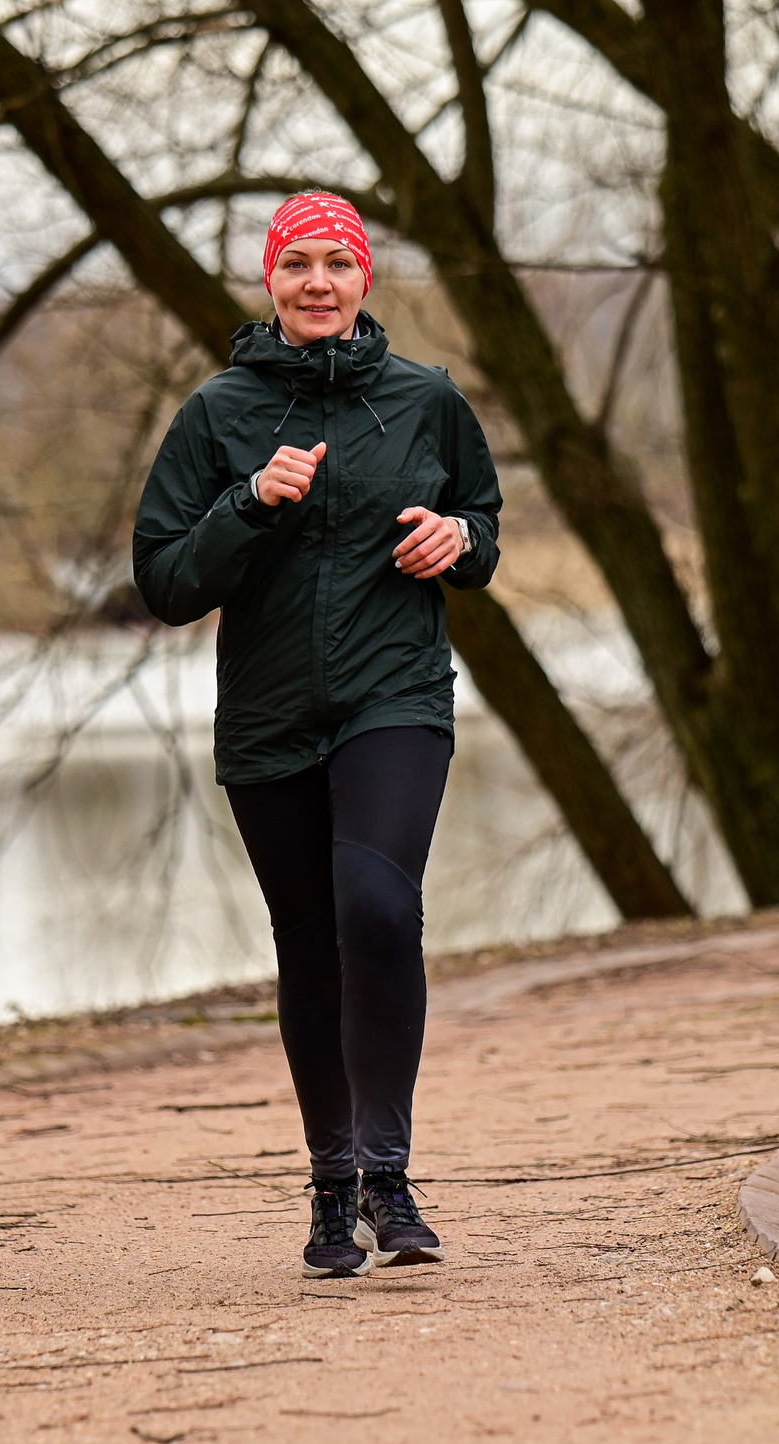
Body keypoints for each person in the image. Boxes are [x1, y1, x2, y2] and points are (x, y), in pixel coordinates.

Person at [132, 193, 503, 1278]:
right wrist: (247, 501)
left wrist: (458, 539)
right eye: (297, 262)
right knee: (308, 942)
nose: (317, 281)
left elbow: (481, 524)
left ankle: (389, 1174)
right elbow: (161, 581)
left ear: (364, 280)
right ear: (269, 280)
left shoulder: (426, 400)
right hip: (269, 710)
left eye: (337, 261)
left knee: (377, 908)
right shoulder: (217, 413)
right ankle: (331, 1183)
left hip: (394, 693)